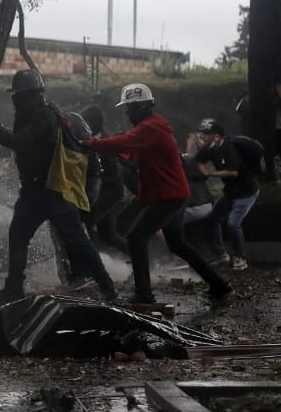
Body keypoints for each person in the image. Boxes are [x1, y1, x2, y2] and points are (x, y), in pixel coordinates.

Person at [82, 84, 233, 307]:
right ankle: (218, 284)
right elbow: (130, 150)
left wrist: (88, 144)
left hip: (167, 196)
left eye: (131, 108)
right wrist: (106, 148)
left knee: (136, 237)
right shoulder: (152, 128)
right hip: (172, 194)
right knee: (177, 244)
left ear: (144, 107)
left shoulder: (150, 128)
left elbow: (123, 142)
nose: (128, 113)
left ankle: (144, 295)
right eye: (127, 109)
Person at [0, 70, 118, 305]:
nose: (15, 100)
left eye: (18, 96)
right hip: (33, 193)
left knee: (78, 241)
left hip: (54, 192)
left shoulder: (46, 116)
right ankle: (13, 288)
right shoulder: (27, 115)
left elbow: (21, 142)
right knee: (18, 236)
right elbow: (19, 139)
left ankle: (108, 287)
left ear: (30, 95)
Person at [193, 118, 260, 271]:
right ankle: (221, 254)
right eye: (201, 133)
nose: (202, 137)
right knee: (212, 218)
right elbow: (198, 159)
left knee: (233, 224)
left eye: (206, 134)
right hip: (230, 192)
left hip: (245, 192)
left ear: (216, 136)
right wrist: (202, 167)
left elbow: (233, 172)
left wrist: (211, 173)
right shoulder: (210, 148)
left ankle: (240, 258)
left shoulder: (229, 147)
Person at [78, 104, 129, 257]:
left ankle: (94, 263)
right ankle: (139, 259)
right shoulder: (98, 137)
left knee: (84, 222)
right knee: (108, 234)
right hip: (109, 190)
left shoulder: (100, 140)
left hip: (110, 191)